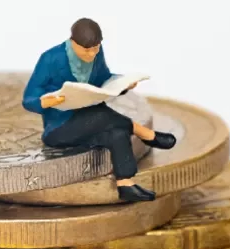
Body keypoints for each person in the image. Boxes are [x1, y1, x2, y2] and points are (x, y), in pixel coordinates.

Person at [22, 18, 176, 202]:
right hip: (60, 128)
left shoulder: (96, 52)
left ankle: (125, 184)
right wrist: (46, 102)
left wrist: (123, 84)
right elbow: (29, 98)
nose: (92, 53)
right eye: (87, 49)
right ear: (73, 42)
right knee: (102, 115)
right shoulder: (51, 58)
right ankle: (147, 134)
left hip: (92, 122)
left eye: (96, 47)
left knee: (117, 133)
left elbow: (104, 79)